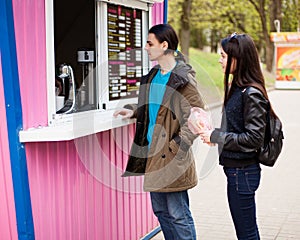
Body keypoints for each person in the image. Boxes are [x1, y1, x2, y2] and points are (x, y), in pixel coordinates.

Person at [113, 24, 205, 240]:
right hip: (152, 154)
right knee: (162, 212)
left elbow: (198, 116)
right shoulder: (154, 75)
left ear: (164, 45)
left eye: (149, 43)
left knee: (178, 214)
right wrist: (133, 112)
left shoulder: (182, 78)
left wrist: (176, 145)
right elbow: (153, 106)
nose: (145, 48)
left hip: (172, 156)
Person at [191, 33, 276, 240]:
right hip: (238, 171)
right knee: (246, 231)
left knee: (247, 233)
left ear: (238, 58)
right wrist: (214, 137)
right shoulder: (238, 89)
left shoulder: (251, 93)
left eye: (223, 56)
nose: (219, 60)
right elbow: (239, 130)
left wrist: (217, 136)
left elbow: (253, 139)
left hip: (243, 172)